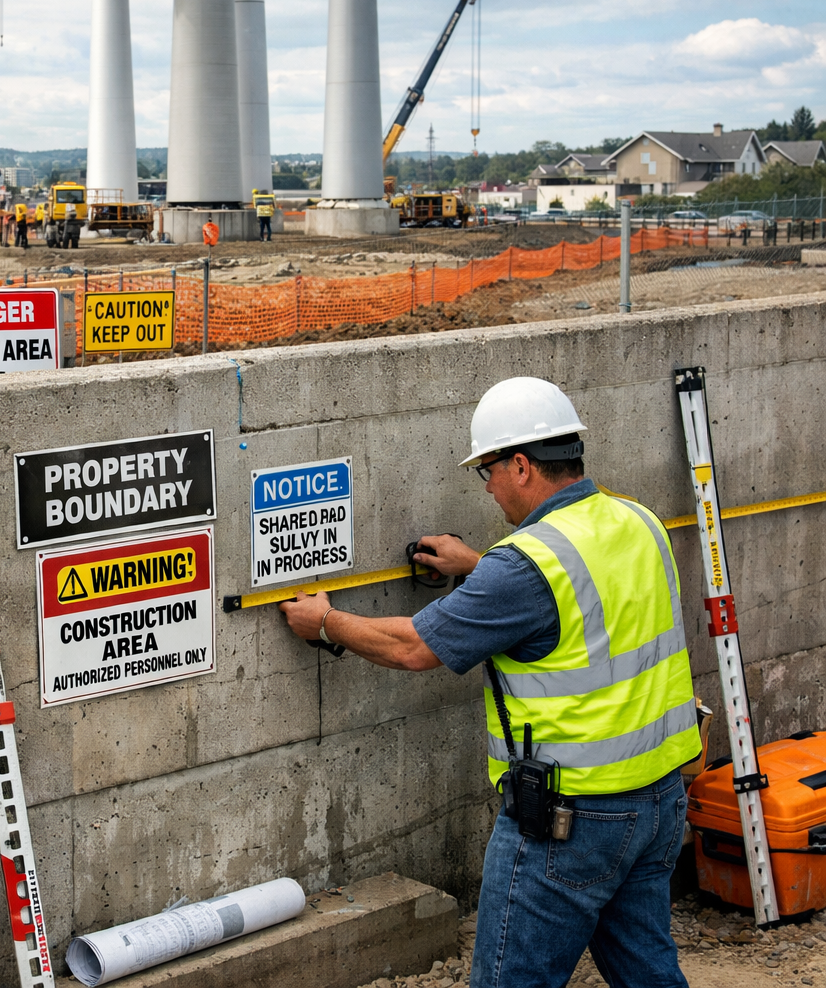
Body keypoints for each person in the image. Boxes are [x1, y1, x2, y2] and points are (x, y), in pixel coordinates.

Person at [280, 377, 698, 988]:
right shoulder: (639, 522)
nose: (490, 487)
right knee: (648, 970)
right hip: (657, 802)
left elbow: (415, 646)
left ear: (522, 465)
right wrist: (480, 568)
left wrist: (325, 621)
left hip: (572, 821)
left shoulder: (525, 566)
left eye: (489, 471)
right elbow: (584, 605)